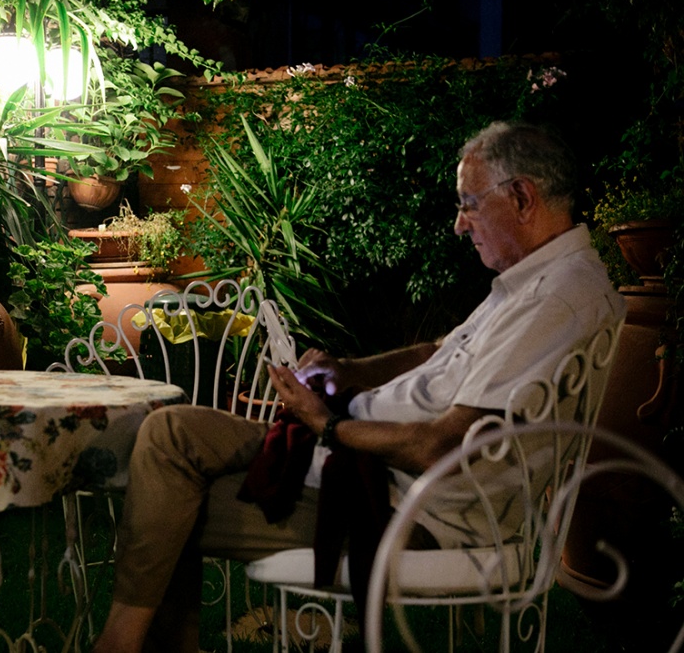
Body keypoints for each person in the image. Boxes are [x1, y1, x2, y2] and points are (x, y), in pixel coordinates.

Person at [90, 121, 627, 653]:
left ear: (522, 197)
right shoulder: (533, 282)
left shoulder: (554, 302)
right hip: (357, 466)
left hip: (398, 507)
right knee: (171, 431)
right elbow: (435, 352)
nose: (460, 224)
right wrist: (347, 371)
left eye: (469, 203)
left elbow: (445, 447)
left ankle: (121, 645)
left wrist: (327, 423)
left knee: (168, 499)